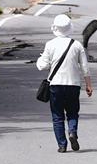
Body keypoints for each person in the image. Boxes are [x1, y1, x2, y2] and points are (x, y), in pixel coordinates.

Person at [37, 14, 93, 153]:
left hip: (55, 85)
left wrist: (41, 59)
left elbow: (42, 66)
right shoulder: (77, 45)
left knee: (57, 116)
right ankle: (72, 132)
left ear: (55, 28)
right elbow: (85, 67)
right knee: (73, 113)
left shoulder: (50, 44)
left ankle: (62, 145)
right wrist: (88, 85)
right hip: (73, 85)